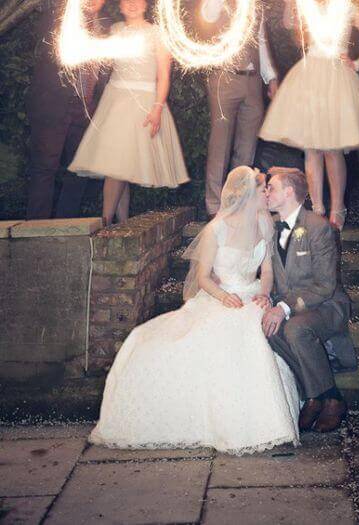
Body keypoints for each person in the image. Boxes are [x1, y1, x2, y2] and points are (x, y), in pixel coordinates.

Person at [89, 166, 300, 453]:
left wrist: (264, 294)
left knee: (252, 332)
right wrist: (224, 297)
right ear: (248, 194)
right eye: (263, 189)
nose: (266, 193)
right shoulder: (217, 228)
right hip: (220, 295)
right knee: (175, 340)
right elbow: (202, 278)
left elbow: (267, 270)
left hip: (251, 296)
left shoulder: (264, 222)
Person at [259, 0, 359, 230]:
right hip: (310, 78)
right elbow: (290, 24)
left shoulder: (350, 9)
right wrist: (289, 1)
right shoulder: (312, 9)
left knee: (332, 149)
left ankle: (337, 207)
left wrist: (356, 63)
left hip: (336, 78)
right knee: (312, 148)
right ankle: (317, 208)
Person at [69, 0, 188, 225]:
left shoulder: (158, 34)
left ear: (145, 4)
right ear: (121, 6)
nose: (132, 3)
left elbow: (163, 76)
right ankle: (121, 223)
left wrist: (157, 108)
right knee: (119, 165)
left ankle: (104, 222)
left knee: (119, 166)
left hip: (143, 103)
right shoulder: (115, 30)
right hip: (115, 102)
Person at [263, 167, 356, 433]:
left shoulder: (318, 227)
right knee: (269, 329)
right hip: (293, 305)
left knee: (296, 328)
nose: (267, 192)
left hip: (327, 305)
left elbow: (325, 286)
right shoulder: (270, 227)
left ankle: (333, 399)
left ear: (289, 192)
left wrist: (283, 307)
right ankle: (315, 395)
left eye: (272, 188)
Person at [26, 0, 109, 219]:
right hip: (55, 103)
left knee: (80, 169)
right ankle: (36, 229)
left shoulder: (102, 29)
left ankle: (67, 225)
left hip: (84, 108)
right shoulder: (62, 20)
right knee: (45, 168)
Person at [201, 0, 278, 218]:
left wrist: (271, 77)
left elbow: (262, 41)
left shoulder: (254, 1)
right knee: (220, 144)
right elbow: (207, 16)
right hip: (224, 78)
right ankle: (214, 205)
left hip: (252, 81)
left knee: (247, 148)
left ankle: (237, 202)